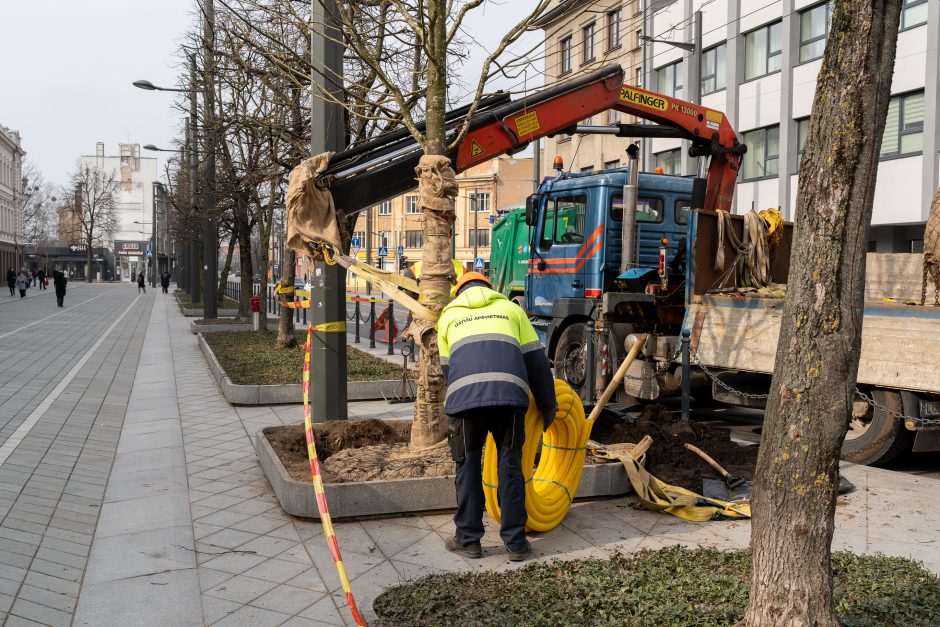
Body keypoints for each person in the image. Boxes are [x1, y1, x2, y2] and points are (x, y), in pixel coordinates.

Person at [437, 271, 557, 562]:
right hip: (510, 399)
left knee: (467, 466)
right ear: (490, 289)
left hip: (465, 401)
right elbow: (536, 362)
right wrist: (548, 407)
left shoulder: (448, 316)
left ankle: (468, 540)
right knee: (510, 465)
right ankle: (515, 543)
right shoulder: (512, 310)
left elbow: (447, 371)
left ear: (459, 292)